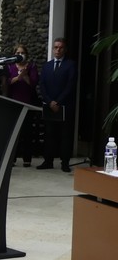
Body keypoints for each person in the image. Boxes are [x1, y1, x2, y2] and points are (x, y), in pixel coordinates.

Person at [38, 37, 77, 172]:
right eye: (56, 47)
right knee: (49, 134)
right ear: (53, 49)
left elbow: (70, 85)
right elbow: (42, 85)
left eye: (60, 48)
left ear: (65, 49)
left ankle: (65, 162)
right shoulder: (47, 66)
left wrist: (58, 102)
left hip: (64, 106)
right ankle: (48, 161)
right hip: (49, 105)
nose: (58, 50)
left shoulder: (70, 65)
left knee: (65, 135)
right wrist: (50, 102)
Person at [2, 43, 40, 167]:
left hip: (27, 103)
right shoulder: (9, 67)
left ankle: (27, 159)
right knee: (13, 132)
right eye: (18, 53)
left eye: (22, 53)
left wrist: (25, 76)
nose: (20, 55)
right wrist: (19, 77)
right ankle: (12, 159)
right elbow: (7, 83)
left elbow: (34, 83)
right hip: (13, 103)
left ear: (26, 54)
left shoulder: (31, 67)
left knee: (27, 132)